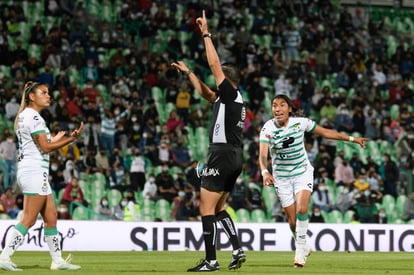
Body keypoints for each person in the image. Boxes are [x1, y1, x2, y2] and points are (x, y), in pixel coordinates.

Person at [171, 10, 246, 272]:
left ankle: (211, 260)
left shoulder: (230, 93)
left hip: (222, 153)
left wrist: (205, 33)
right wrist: (189, 72)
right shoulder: (229, 99)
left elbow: (215, 67)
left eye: (220, 79)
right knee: (219, 205)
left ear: (228, 81)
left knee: (206, 207)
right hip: (234, 156)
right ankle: (236, 249)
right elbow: (206, 94)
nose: (217, 82)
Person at [258, 94, 367, 268]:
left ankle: (299, 253)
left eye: (282, 105)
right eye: (274, 105)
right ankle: (304, 244)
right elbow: (263, 155)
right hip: (282, 178)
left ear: (290, 109)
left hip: (302, 172)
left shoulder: (301, 122)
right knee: (292, 222)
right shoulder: (267, 128)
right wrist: (264, 172)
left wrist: (353, 139)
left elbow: (326, 133)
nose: (277, 109)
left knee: (302, 208)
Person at [0, 81, 83, 271]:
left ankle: (57, 260)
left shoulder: (25, 116)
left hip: (33, 170)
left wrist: (55, 140)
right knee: (29, 219)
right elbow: (45, 148)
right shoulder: (35, 117)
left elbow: (38, 146)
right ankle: (4, 256)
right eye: (43, 93)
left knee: (51, 216)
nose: (49, 96)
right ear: (32, 97)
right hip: (35, 171)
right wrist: (71, 140)